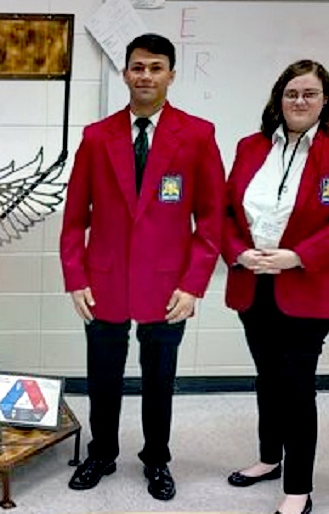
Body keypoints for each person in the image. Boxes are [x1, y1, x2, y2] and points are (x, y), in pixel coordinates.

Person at [59, 33, 225, 500]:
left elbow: (211, 220)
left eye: (155, 67)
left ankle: (157, 459)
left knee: (159, 379)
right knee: (103, 376)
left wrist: (193, 286)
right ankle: (102, 453)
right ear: (124, 73)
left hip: (167, 285)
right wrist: (76, 278)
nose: (145, 75)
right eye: (137, 67)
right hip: (105, 282)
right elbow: (74, 220)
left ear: (171, 74)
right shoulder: (97, 137)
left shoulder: (197, 135)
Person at [222, 60, 329, 514]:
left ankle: (298, 487)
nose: (300, 101)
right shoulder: (250, 147)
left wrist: (298, 256)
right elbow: (226, 213)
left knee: (296, 385)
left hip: (307, 286)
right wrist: (238, 252)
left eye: (310, 93)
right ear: (278, 99)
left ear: (325, 100)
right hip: (252, 283)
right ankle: (270, 458)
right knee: (267, 380)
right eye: (292, 93)